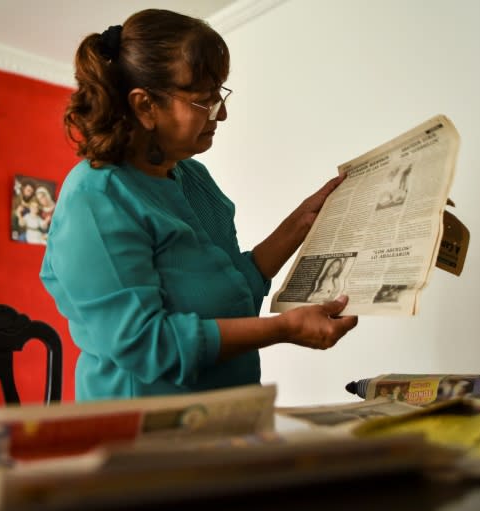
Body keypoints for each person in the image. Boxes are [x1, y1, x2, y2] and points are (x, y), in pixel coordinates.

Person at [39, 9, 358, 401]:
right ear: (145, 106)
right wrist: (284, 329)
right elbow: (146, 344)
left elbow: (230, 291)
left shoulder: (192, 176)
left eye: (219, 95)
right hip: (139, 436)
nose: (221, 113)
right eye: (205, 101)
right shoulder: (96, 198)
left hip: (225, 418)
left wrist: (303, 222)